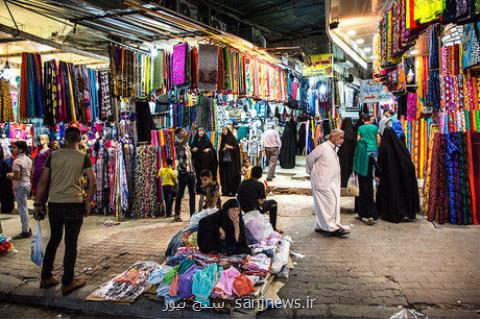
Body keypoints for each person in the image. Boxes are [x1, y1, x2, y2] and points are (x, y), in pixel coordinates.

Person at [34, 127, 96, 295]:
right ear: (79, 139)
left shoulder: (52, 156)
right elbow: (92, 181)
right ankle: (67, 282)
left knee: (54, 239)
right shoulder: (83, 157)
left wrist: (38, 204)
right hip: (74, 204)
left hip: (54, 204)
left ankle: (46, 277)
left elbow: (42, 181)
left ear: (65, 138)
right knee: (71, 243)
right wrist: (88, 202)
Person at [306, 129, 349, 237]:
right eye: (340, 138)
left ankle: (321, 226)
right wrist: (312, 172)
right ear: (334, 137)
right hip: (322, 182)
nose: (342, 141)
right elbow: (310, 158)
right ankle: (330, 227)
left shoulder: (333, 148)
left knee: (327, 205)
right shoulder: (323, 147)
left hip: (330, 182)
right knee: (328, 204)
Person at [376, 128, 419, 223]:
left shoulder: (384, 148)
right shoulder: (400, 146)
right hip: (402, 176)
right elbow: (408, 162)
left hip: (389, 177)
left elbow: (380, 164)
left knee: (392, 194)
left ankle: (392, 212)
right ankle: (406, 213)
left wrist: (378, 174)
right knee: (402, 194)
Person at [237, 166, 282, 233]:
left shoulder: (243, 182)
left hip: (243, 207)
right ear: (260, 175)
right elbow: (260, 202)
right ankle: (273, 227)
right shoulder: (260, 185)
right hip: (253, 209)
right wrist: (267, 192)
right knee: (273, 203)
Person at [353, 113, 380, 225]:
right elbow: (378, 138)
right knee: (373, 171)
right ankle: (375, 180)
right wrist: (377, 146)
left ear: (362, 120)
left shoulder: (361, 128)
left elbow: (358, 139)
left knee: (365, 173)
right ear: (370, 119)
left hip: (364, 151)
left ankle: (363, 211)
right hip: (373, 151)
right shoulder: (375, 127)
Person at [7, 141, 33, 239]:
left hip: (20, 186)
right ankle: (27, 228)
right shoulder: (28, 159)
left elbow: (17, 176)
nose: (12, 149)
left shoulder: (17, 161)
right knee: (24, 208)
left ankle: (25, 231)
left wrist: (9, 175)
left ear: (20, 149)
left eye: (14, 147)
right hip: (27, 185)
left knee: (22, 209)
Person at [174, 123, 197, 222]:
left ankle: (192, 215)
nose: (185, 132)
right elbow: (185, 140)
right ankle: (177, 214)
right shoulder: (178, 142)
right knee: (180, 194)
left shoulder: (186, 143)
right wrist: (191, 130)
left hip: (191, 172)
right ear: (178, 134)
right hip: (183, 173)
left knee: (193, 194)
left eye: (185, 130)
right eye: (183, 131)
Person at [191, 127, 218, 194]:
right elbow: (191, 149)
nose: (201, 132)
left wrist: (209, 150)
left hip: (206, 163)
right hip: (197, 163)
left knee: (205, 176)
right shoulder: (195, 140)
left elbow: (212, 149)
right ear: (197, 132)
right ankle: (199, 189)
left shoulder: (206, 140)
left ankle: (206, 190)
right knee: (198, 176)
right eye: (199, 131)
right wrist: (193, 150)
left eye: (202, 131)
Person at [218, 126, 241, 196]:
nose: (224, 131)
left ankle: (233, 191)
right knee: (225, 177)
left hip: (232, 163)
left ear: (228, 130)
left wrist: (230, 147)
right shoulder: (222, 139)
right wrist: (223, 150)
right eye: (223, 129)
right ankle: (225, 191)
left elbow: (237, 148)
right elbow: (219, 151)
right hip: (224, 163)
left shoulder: (232, 138)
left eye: (225, 129)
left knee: (232, 176)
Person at [338, 118, 357, 188]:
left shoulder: (341, 134)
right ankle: (345, 183)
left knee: (343, 170)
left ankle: (343, 184)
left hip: (342, 156)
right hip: (350, 156)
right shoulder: (353, 134)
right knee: (349, 169)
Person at [0, 146, 14, 215]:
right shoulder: (6, 158)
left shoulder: (7, 158)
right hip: (5, 179)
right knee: (6, 193)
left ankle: (7, 208)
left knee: (5, 193)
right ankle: (7, 208)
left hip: (5, 179)